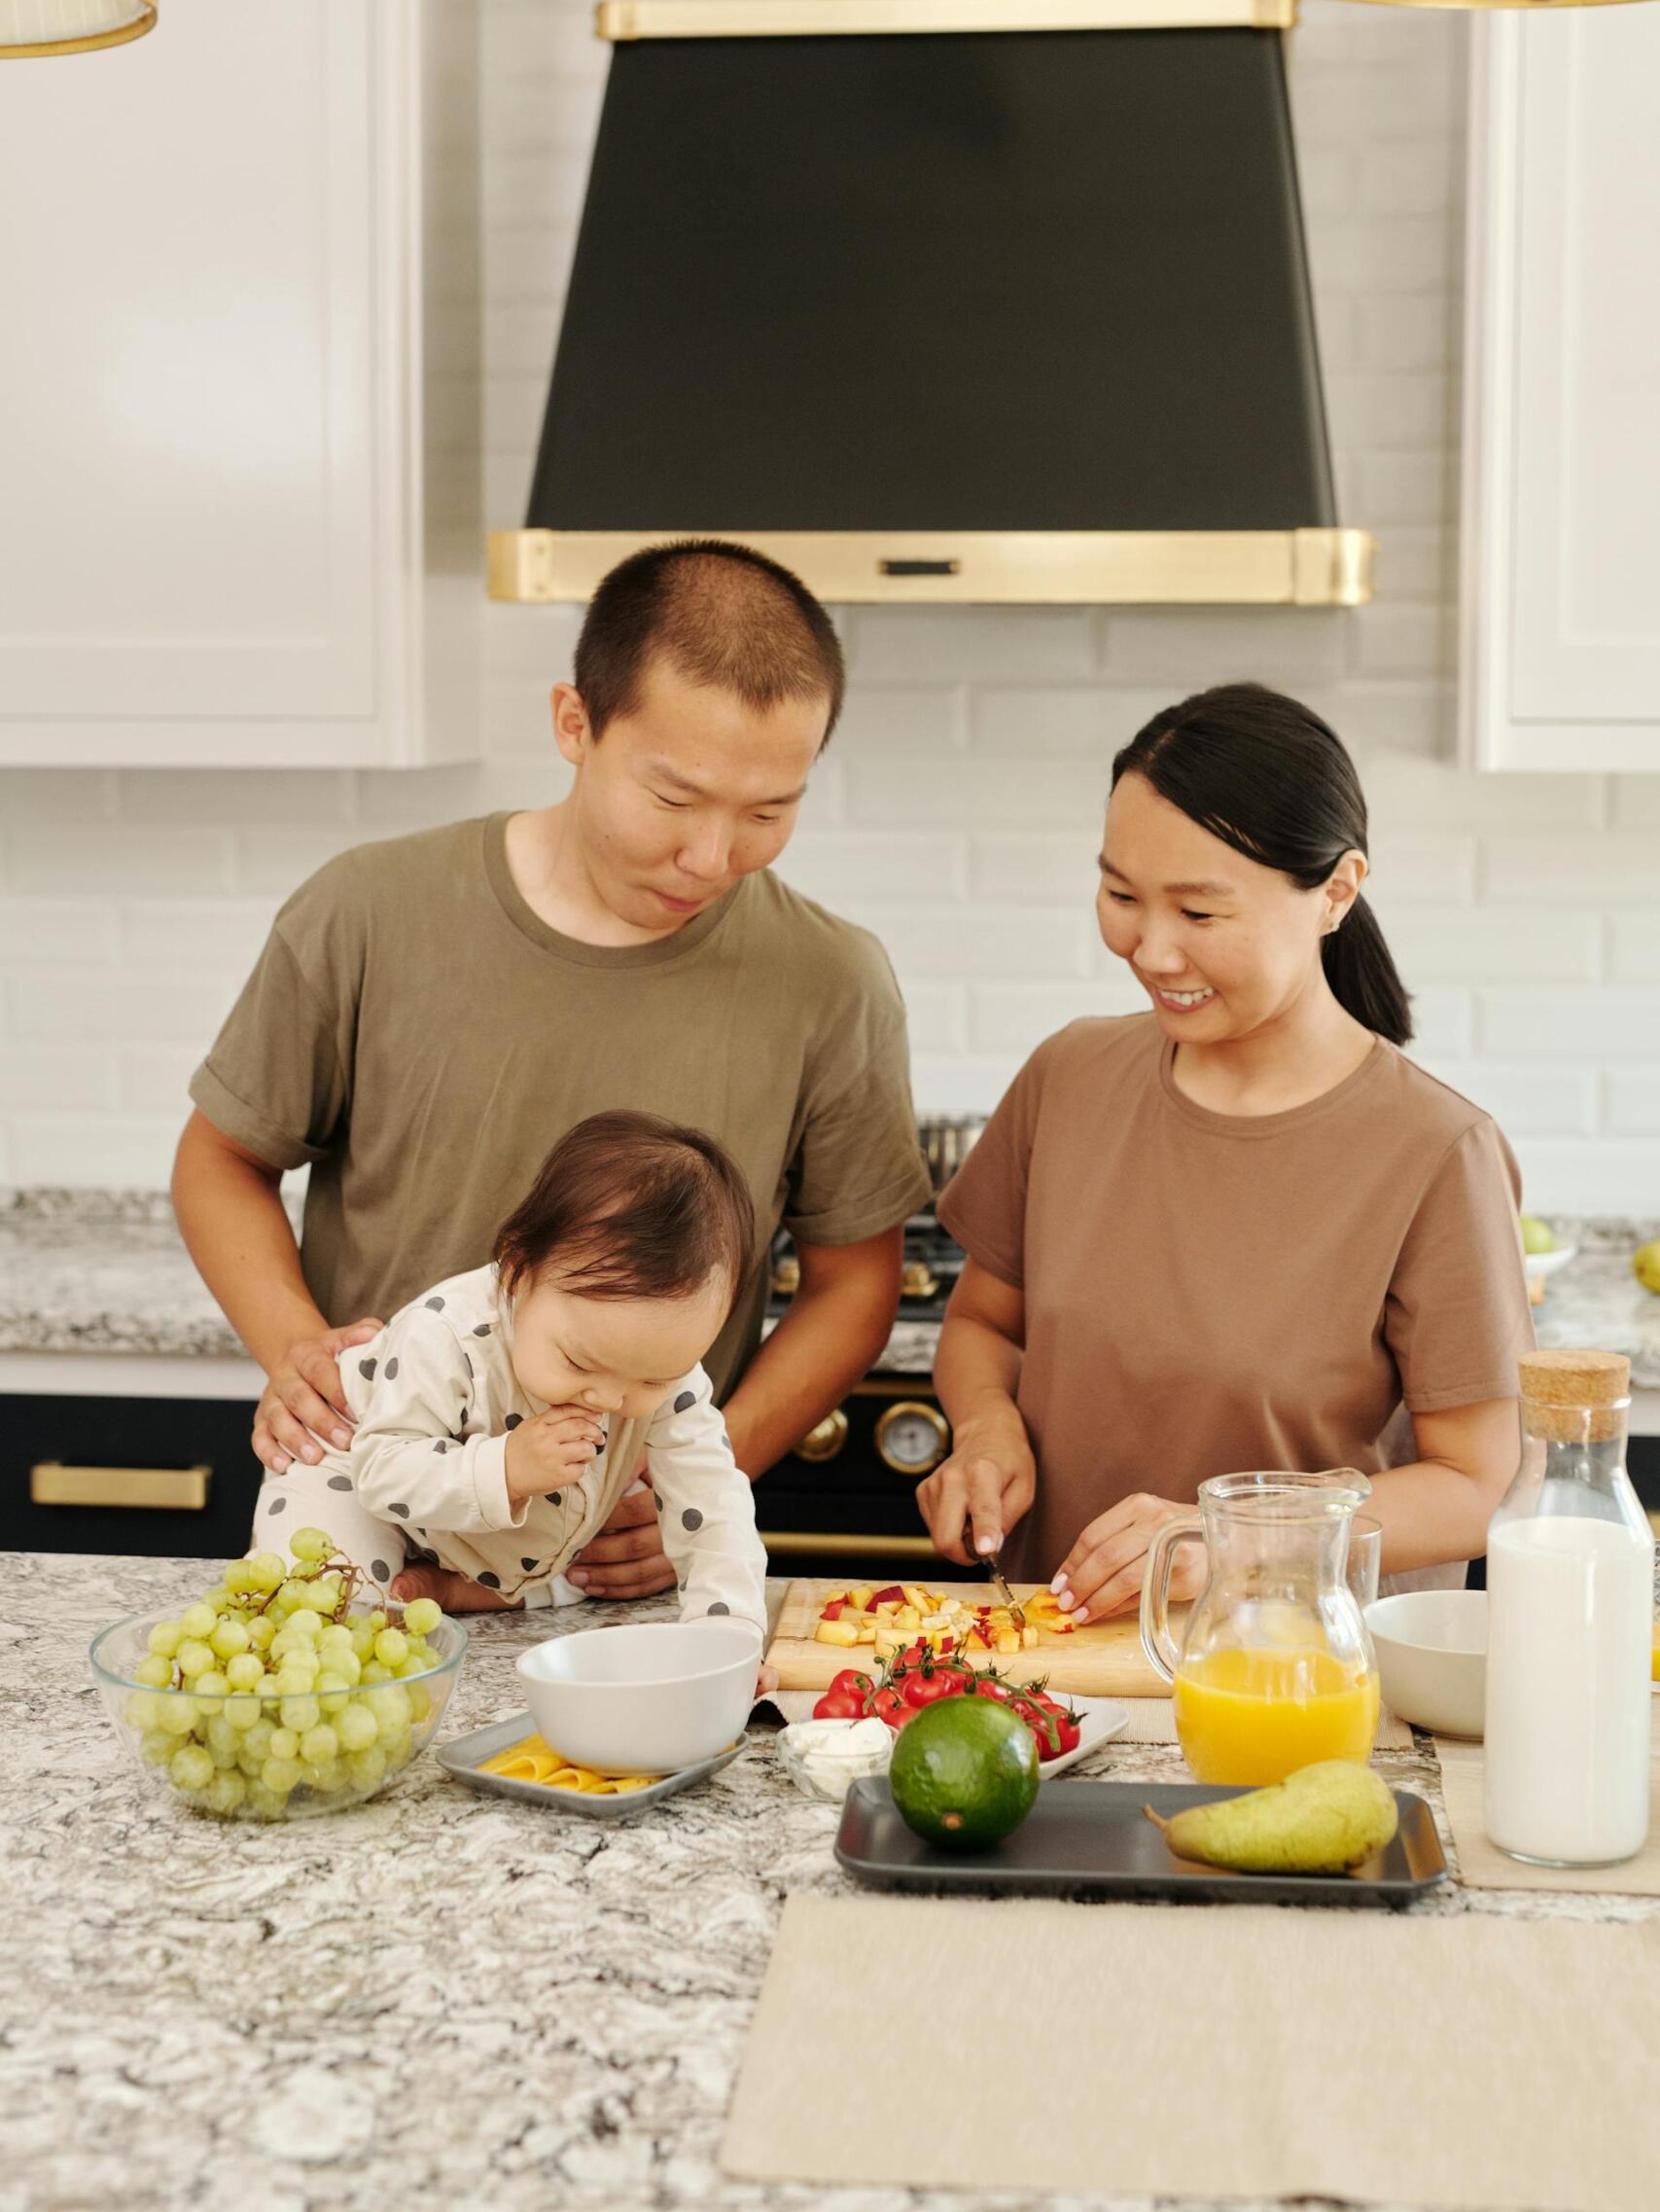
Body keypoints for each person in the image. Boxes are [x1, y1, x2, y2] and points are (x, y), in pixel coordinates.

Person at [175, 540, 931, 1611]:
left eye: (769, 812)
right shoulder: (366, 910)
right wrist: (296, 1347)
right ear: (575, 724)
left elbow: (857, 1284)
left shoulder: (831, 979)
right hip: (372, 1504)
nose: (714, 857)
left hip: (599, 1551)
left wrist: (686, 1500)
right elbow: (221, 1161)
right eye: (673, 797)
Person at [918, 681, 1533, 1617]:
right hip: (1060, 1663)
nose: (1151, 949)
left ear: (1335, 891)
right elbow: (983, 1325)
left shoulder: (1436, 1152)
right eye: (1121, 894)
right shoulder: (1068, 1077)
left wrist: (1241, 1537)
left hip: (1302, 1680)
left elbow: (1477, 1486)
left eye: (1199, 914)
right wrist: (985, 1428)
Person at [252, 1112, 769, 1638]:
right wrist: (506, 1469)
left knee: (627, 1548)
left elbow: (713, 1501)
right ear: (519, 1273)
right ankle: (444, 1581)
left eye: (654, 1381)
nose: (613, 1398)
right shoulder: (443, 1333)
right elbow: (382, 1471)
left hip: (487, 1534)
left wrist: (730, 1632)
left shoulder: (661, 1367)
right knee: (328, 1607)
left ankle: (457, 1587)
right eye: (580, 1363)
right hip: (351, 1468)